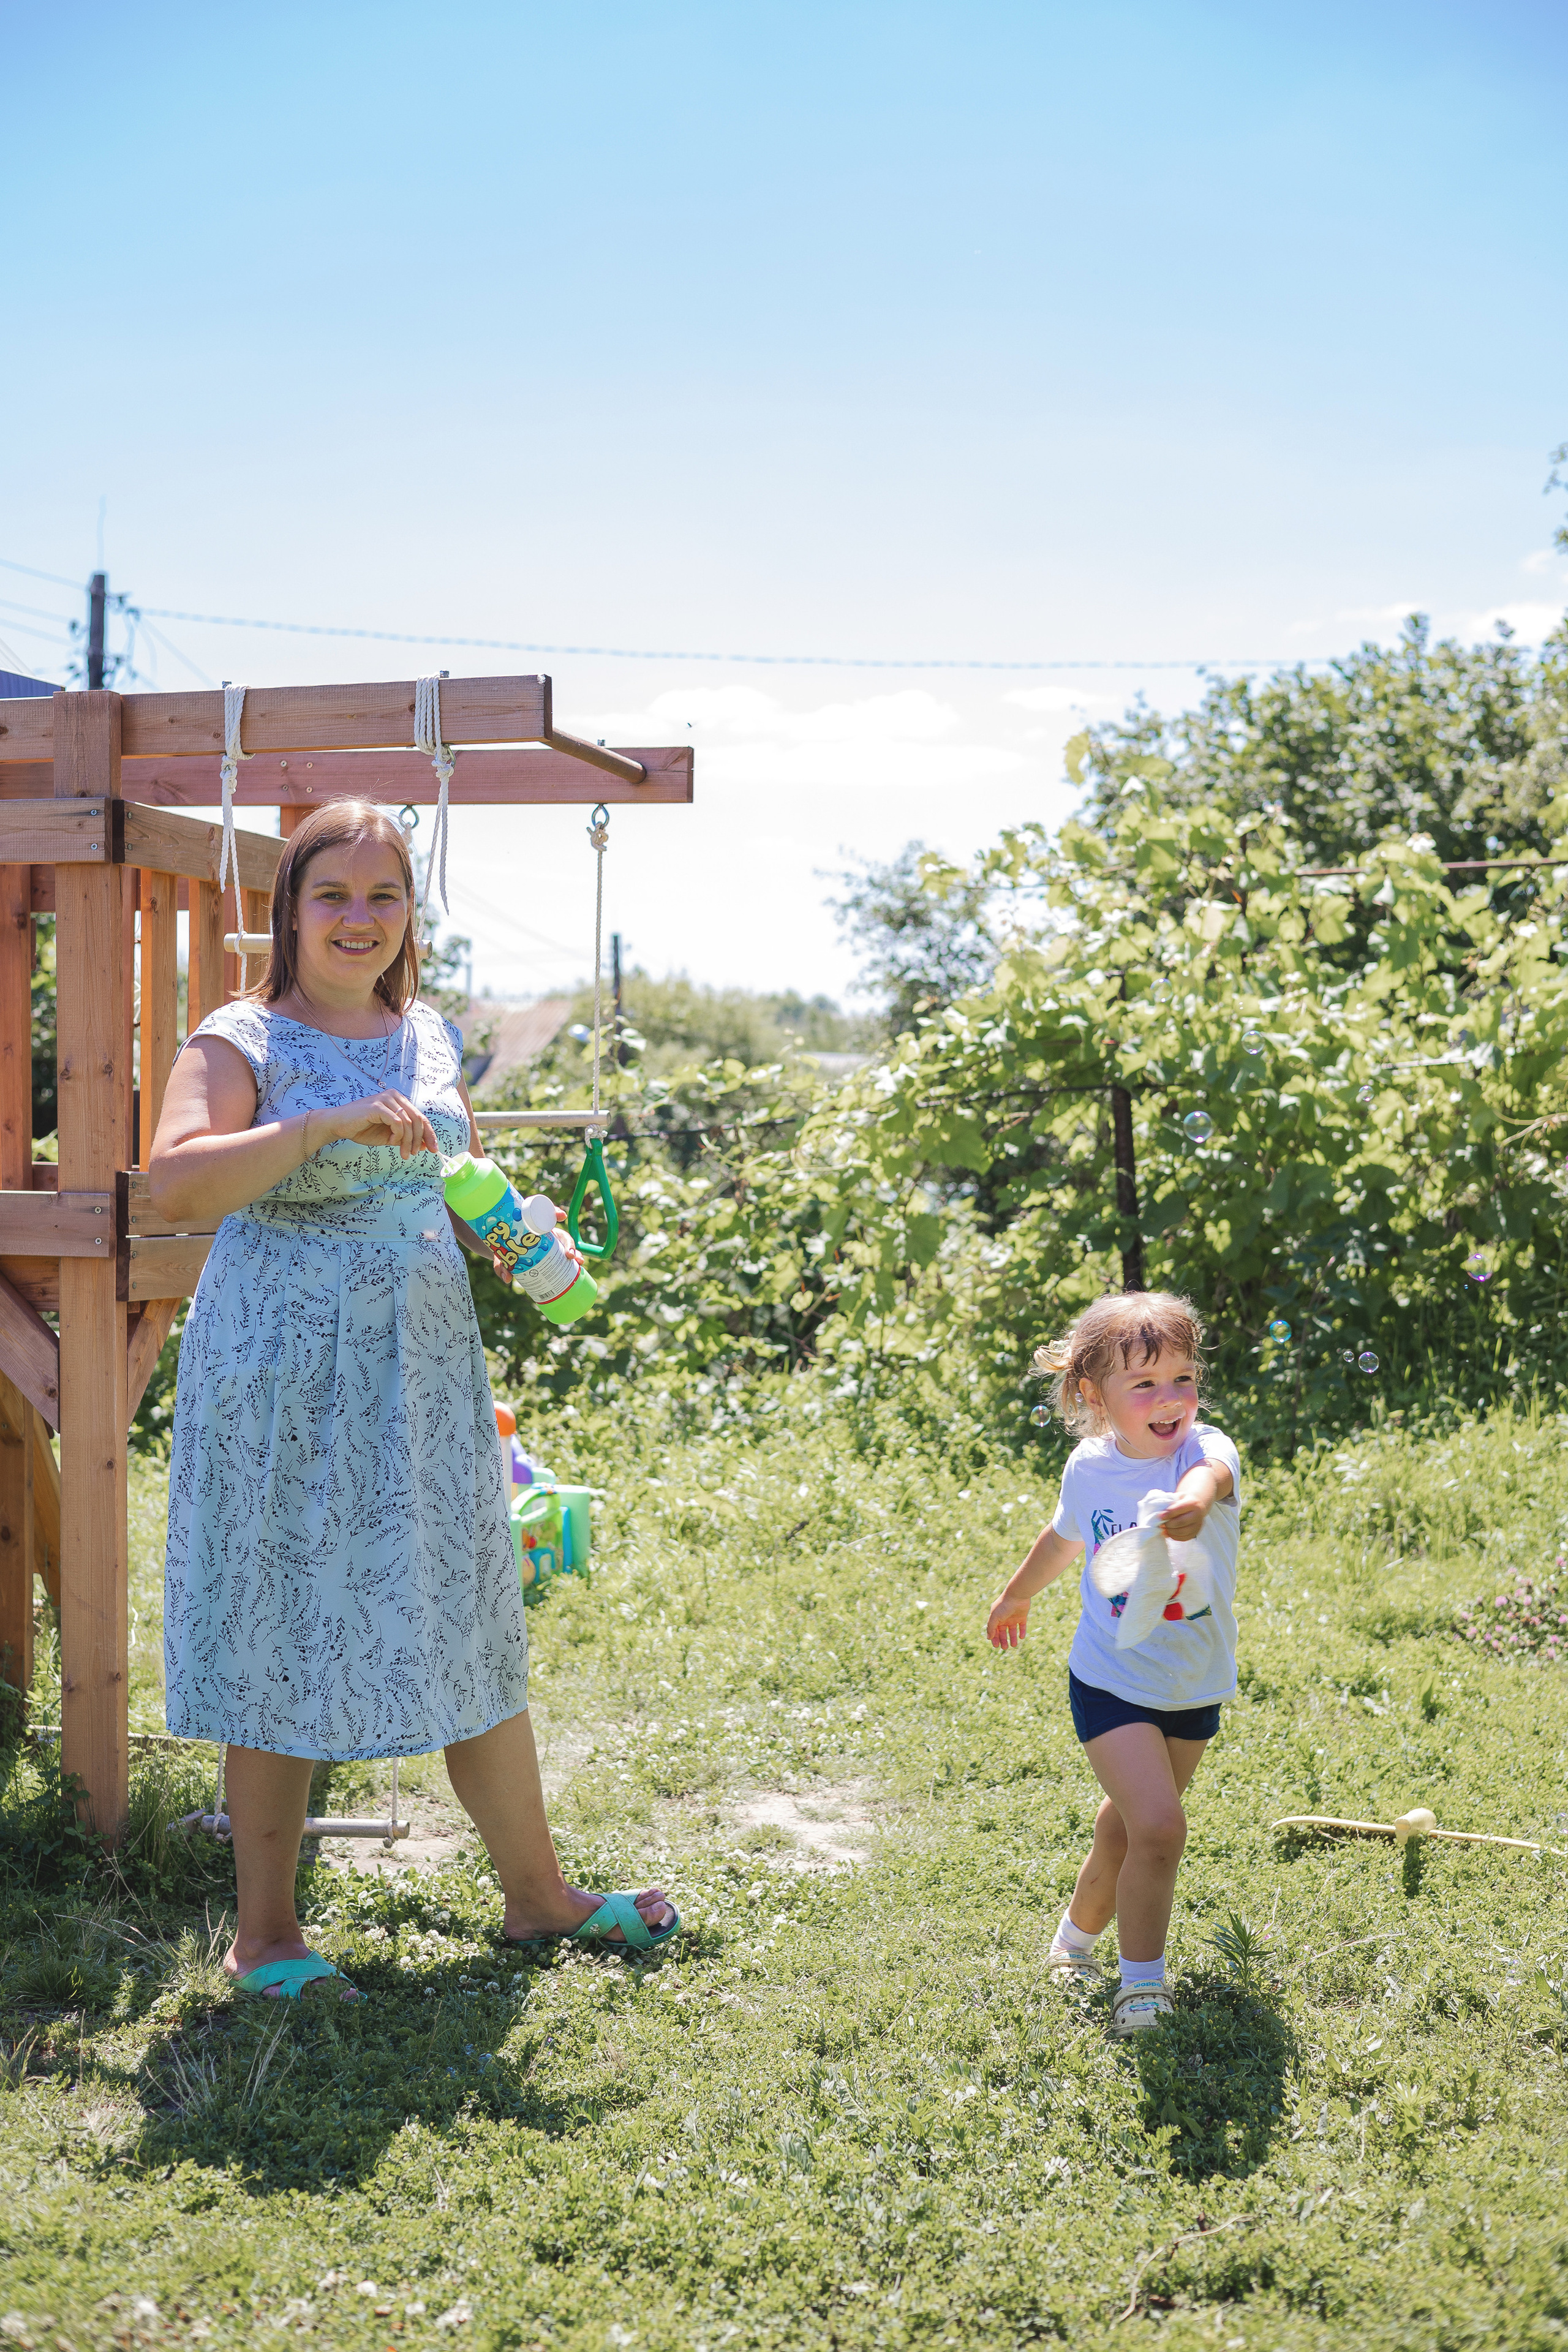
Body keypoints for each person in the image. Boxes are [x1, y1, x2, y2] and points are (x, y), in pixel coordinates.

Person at [151, 799, 675, 2000]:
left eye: (383, 895)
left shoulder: (427, 1032)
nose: (360, 917)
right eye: (332, 894)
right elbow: (175, 1186)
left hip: (421, 1367)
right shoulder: (239, 1038)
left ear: (409, 913)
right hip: (283, 1369)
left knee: (462, 1607)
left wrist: (511, 1238)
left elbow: (445, 1178)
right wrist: (319, 1124)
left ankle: (537, 1899)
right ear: (290, 909)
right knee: (285, 1618)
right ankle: (265, 1937)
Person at [986, 1292, 1239, 2035]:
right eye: (1145, 1384)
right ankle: (1141, 1990)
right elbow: (1064, 1537)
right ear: (1094, 1396)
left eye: (1183, 1378)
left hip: (1191, 1683)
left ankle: (1072, 1942)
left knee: (1126, 1831)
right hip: (1109, 1679)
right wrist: (1016, 1594)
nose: (1170, 1399)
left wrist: (1192, 1502)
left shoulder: (1204, 1452)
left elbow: (1212, 1476)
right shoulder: (1089, 1468)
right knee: (1159, 1827)